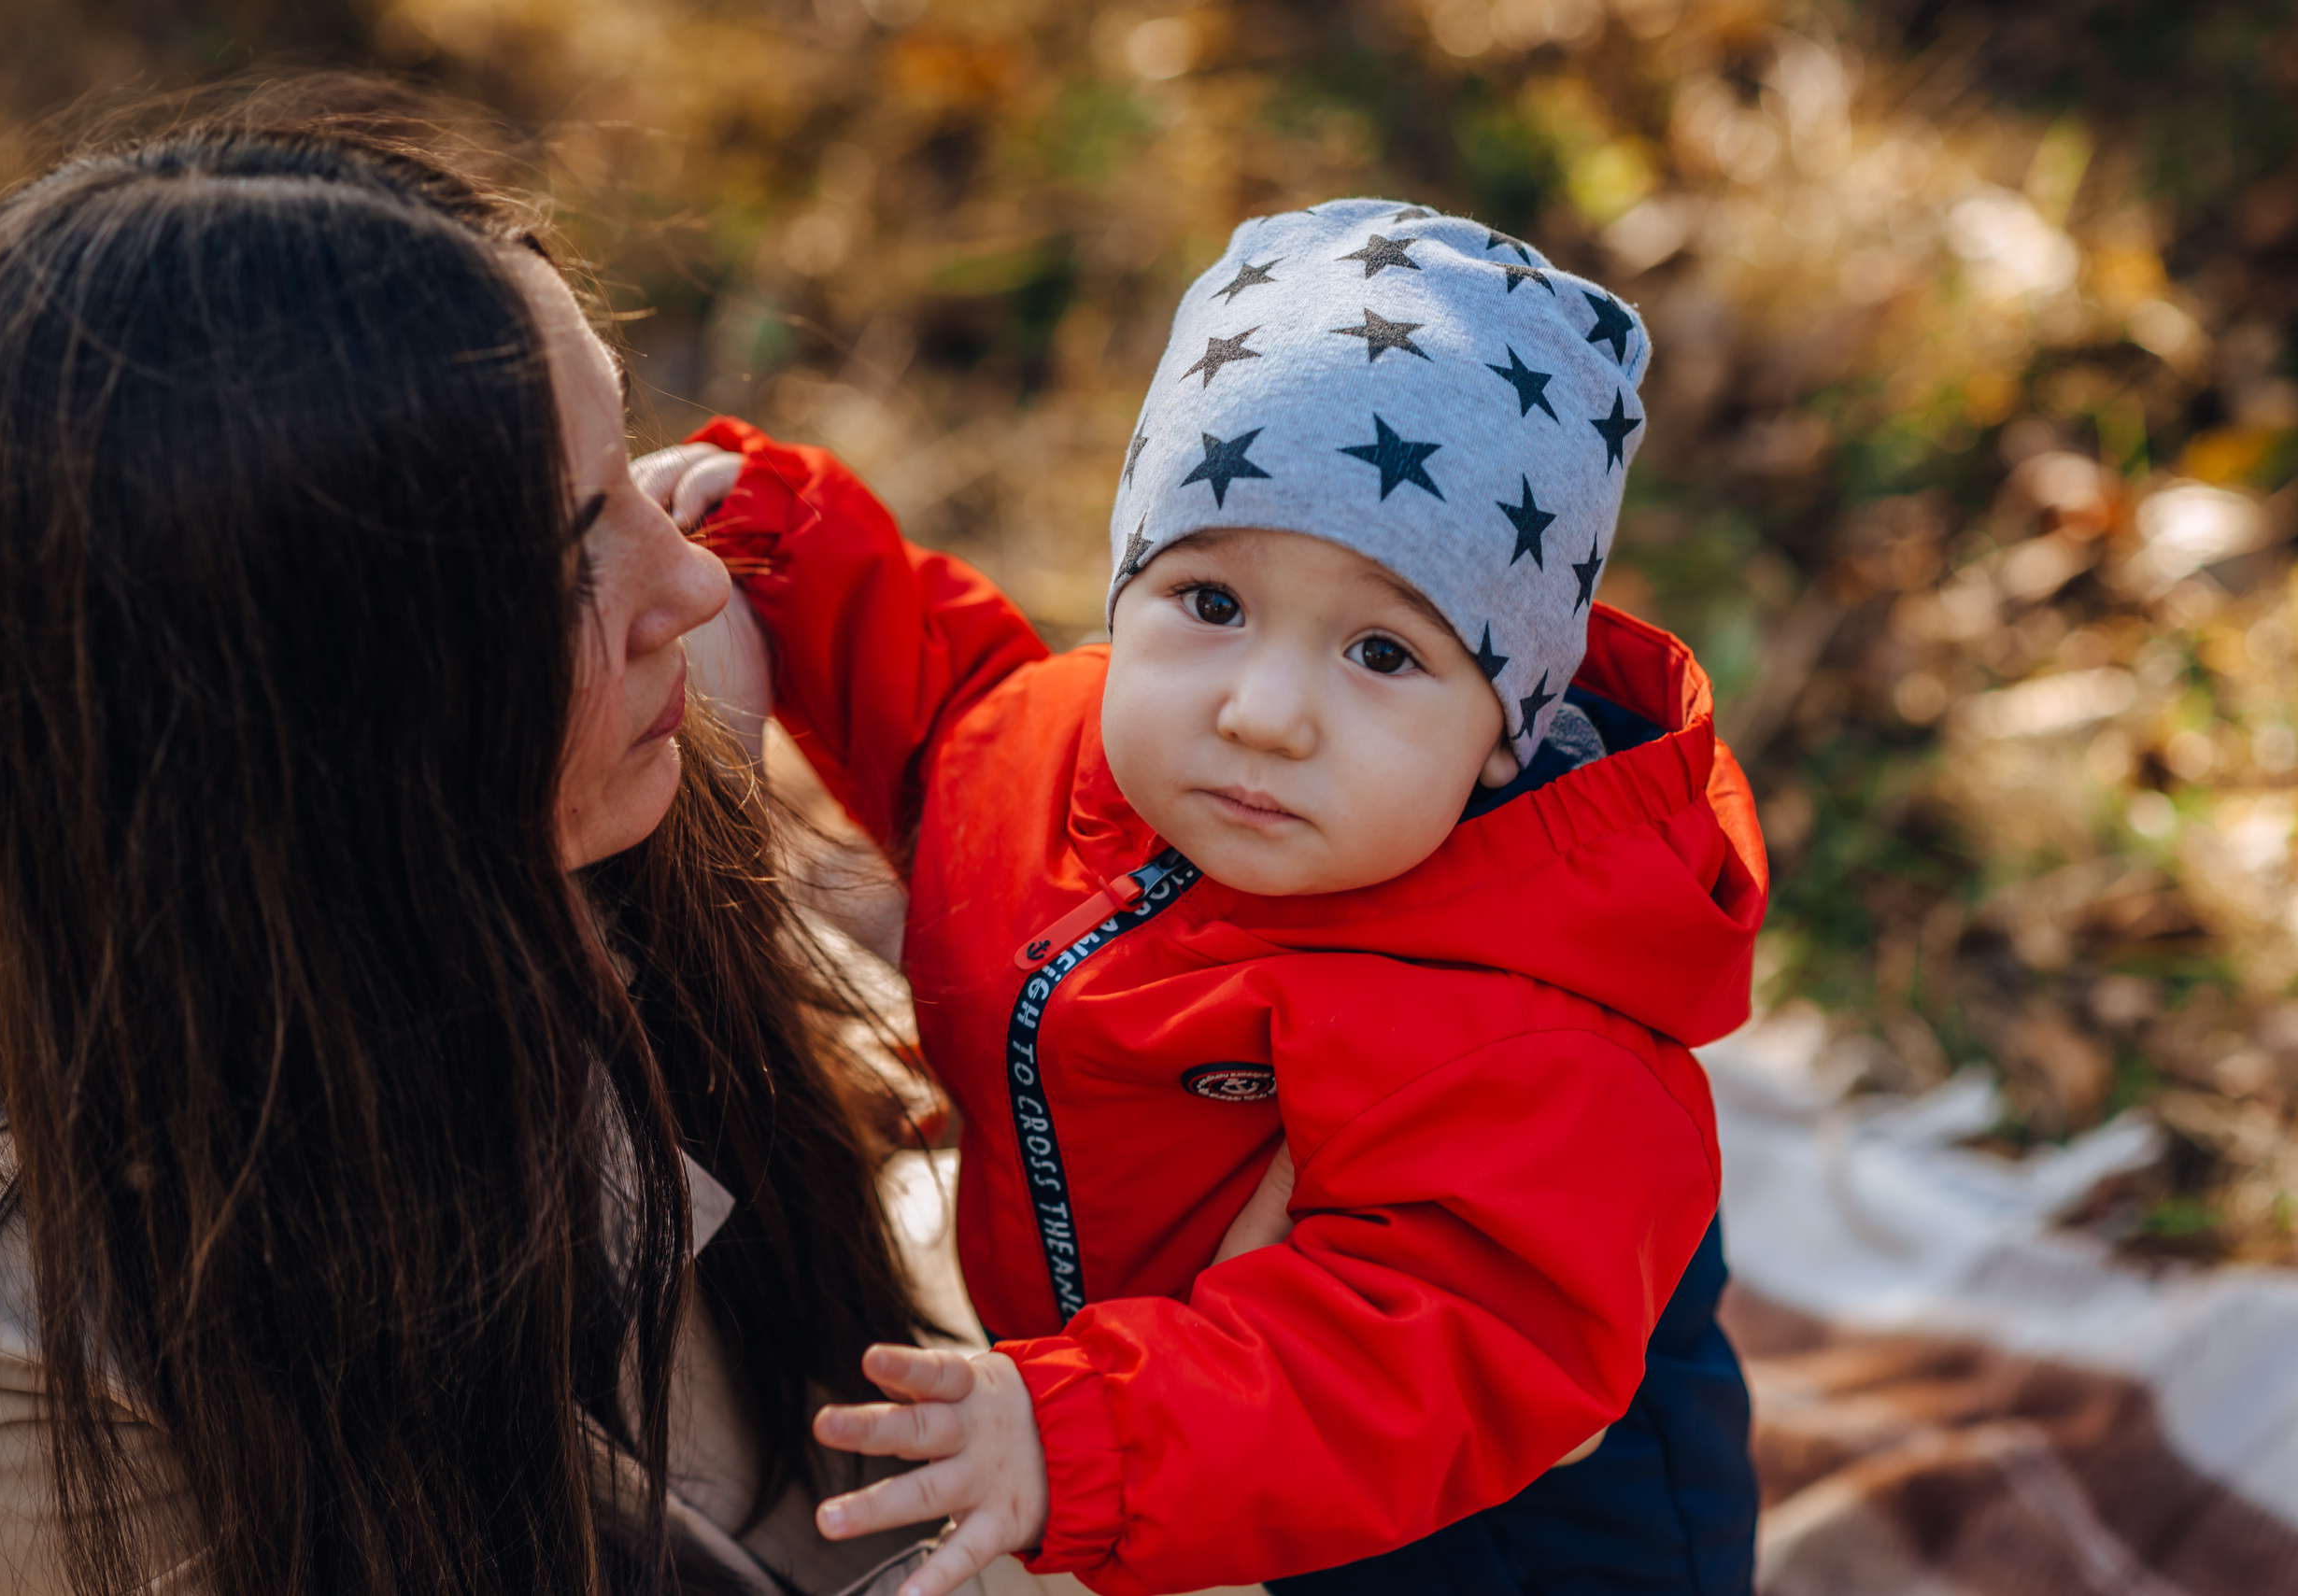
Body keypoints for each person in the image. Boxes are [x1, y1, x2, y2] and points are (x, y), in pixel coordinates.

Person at [645, 200, 1767, 1596]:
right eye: (1211, 601)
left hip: (1491, 1525)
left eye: (1382, 649)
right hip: (1189, 1438)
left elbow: (1405, 1352)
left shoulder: (1534, 1030)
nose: (1265, 710)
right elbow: (941, 709)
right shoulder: (1068, 760)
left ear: (1503, 733)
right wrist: (782, 538)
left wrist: (1085, 1435)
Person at [0, 119, 965, 1596]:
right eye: (567, 548)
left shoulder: (649, 689)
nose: (699, 576)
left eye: (623, 467)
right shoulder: (8, 1359)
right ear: (295, 722)